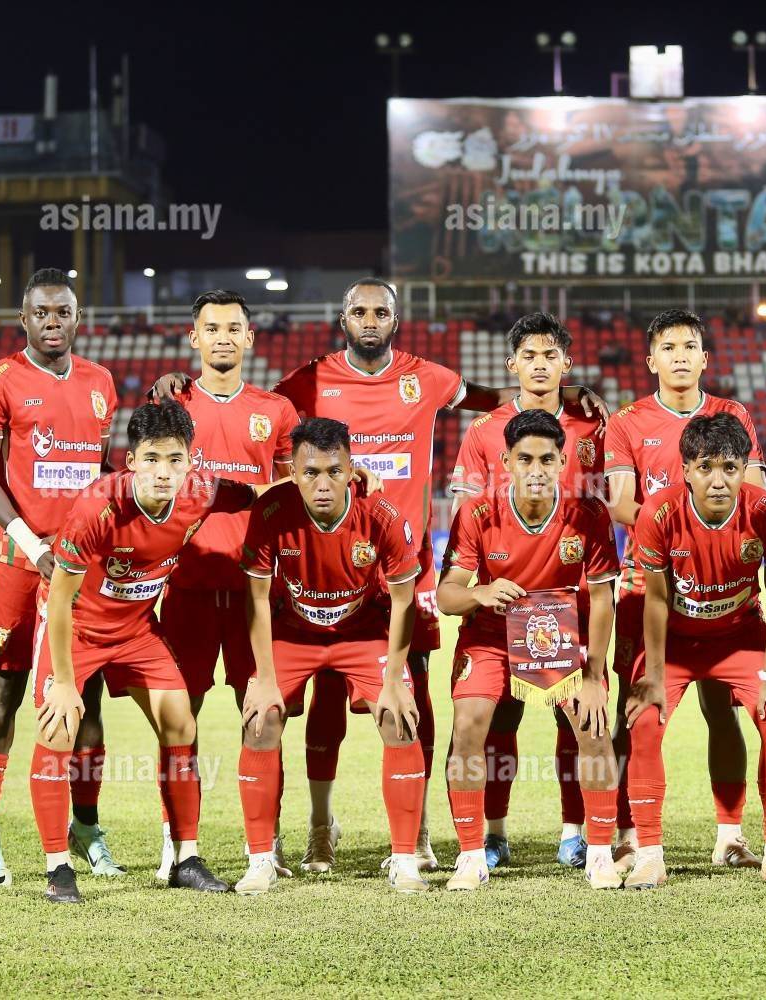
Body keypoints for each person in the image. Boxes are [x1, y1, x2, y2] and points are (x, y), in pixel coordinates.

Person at [150, 278, 607, 873]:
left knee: (414, 692)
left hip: (404, 565)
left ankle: (419, 833)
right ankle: (313, 826)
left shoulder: (427, 377)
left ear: (396, 319)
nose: (370, 320)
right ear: (343, 318)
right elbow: (259, 416)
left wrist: (560, 393)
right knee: (315, 696)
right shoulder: (307, 383)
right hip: (321, 564)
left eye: (380, 312)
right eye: (359, 311)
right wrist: (176, 383)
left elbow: (494, 395)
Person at [35, 400, 266, 902]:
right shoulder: (97, 508)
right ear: (131, 461)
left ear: (190, 461)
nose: (164, 472)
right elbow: (58, 600)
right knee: (57, 728)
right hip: (77, 627)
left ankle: (186, 858)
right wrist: (66, 683)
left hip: (137, 630)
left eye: (175, 460)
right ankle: (58, 867)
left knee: (181, 722)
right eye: (152, 459)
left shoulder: (201, 491)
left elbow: (264, 493)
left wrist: (350, 480)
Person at [0, 268, 118, 889]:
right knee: (3, 692)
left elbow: (100, 473)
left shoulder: (100, 383)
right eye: (42, 313)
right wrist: (32, 544)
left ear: (78, 318)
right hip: (18, 563)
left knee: (88, 698)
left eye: (63, 312)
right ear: (23, 320)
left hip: (81, 568)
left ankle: (87, 826)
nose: (53, 323)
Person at [236, 417, 429, 894]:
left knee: (399, 718)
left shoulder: (381, 515)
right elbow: (256, 598)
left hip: (361, 633)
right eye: (310, 473)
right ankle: (261, 859)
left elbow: (404, 601)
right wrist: (264, 679)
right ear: (292, 472)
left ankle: (405, 858)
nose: (322, 484)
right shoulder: (270, 512)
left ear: (351, 469)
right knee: (260, 719)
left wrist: (394, 680)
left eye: (334, 471)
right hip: (294, 635)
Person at [603, 308, 766, 873]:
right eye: (667, 347)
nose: (678, 356)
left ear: (704, 358)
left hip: (722, 583)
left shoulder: (731, 414)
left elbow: (757, 492)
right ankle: (630, 834)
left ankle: (730, 836)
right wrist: (677, 527)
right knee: (636, 711)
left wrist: (707, 534)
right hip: (646, 584)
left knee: (724, 711)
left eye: (688, 346)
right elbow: (620, 502)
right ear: (651, 360)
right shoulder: (626, 422)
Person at [438, 409, 623, 890]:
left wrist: (595, 676)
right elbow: (447, 595)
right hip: (491, 637)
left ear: (563, 461)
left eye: (546, 459)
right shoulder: (477, 513)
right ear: (506, 462)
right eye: (525, 459)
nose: (536, 470)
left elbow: (604, 599)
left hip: (561, 634)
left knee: (593, 724)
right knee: (468, 723)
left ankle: (599, 853)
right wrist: (480, 592)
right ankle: (471, 855)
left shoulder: (588, 515)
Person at [446, 313, 604, 868]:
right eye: (529, 356)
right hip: (504, 597)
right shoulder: (483, 430)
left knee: (577, 720)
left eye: (550, 355)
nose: (539, 366)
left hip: (570, 601)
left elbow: (606, 501)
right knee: (497, 721)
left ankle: (575, 833)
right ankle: (491, 835)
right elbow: (466, 510)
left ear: (566, 362)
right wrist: (478, 580)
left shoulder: (592, 423)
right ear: (512, 363)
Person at [153, 290, 300, 882]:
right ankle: (176, 842)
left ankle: (265, 844)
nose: (222, 337)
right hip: (186, 587)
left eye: (233, 328)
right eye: (211, 328)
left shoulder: (276, 411)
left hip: (254, 594)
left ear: (249, 338)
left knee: (264, 715)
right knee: (177, 717)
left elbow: (293, 493)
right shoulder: (171, 404)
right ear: (193, 337)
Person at [621, 413, 766, 889]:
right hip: (676, 642)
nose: (718, 480)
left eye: (729, 467)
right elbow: (655, 600)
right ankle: (649, 855)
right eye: (705, 467)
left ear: (745, 468)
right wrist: (653, 675)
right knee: (645, 718)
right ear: (686, 470)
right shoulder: (658, 513)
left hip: (739, 637)